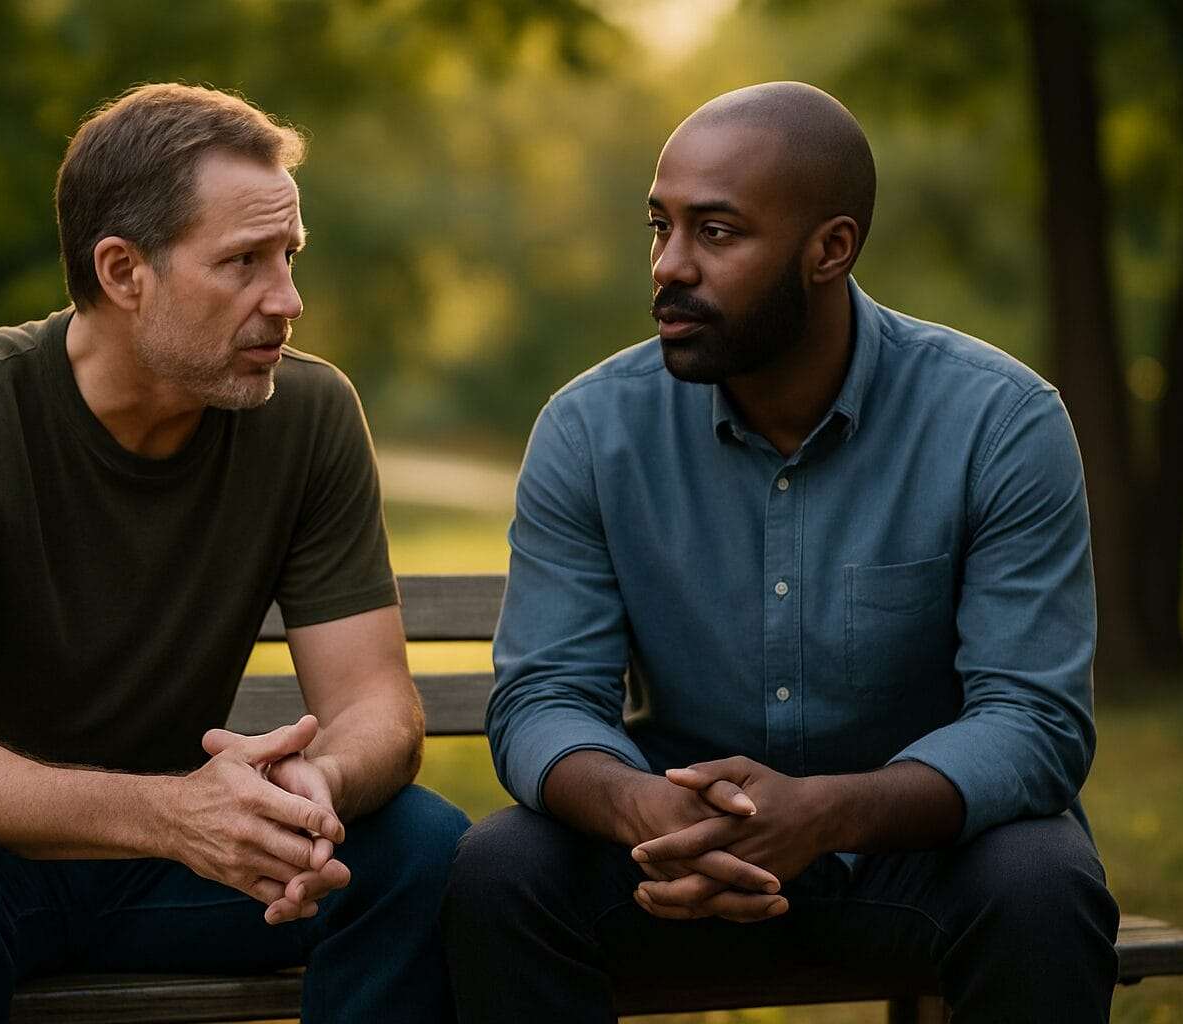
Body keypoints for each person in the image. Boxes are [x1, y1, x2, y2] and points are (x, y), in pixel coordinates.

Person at [444, 82, 1119, 1022]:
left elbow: (1036, 719)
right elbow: (544, 695)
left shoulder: (999, 423)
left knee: (1042, 879)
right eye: (660, 227)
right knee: (500, 870)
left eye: (716, 233)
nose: (668, 267)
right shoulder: (592, 430)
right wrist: (645, 810)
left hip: (911, 862)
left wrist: (827, 814)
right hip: (668, 859)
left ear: (830, 249)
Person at [0, 83, 468, 1024]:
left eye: (289, 256)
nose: (288, 300)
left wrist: (319, 786)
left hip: (165, 868)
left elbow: (374, 704)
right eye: (243, 262)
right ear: (123, 271)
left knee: (420, 847)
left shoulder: (308, 415)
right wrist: (173, 815)